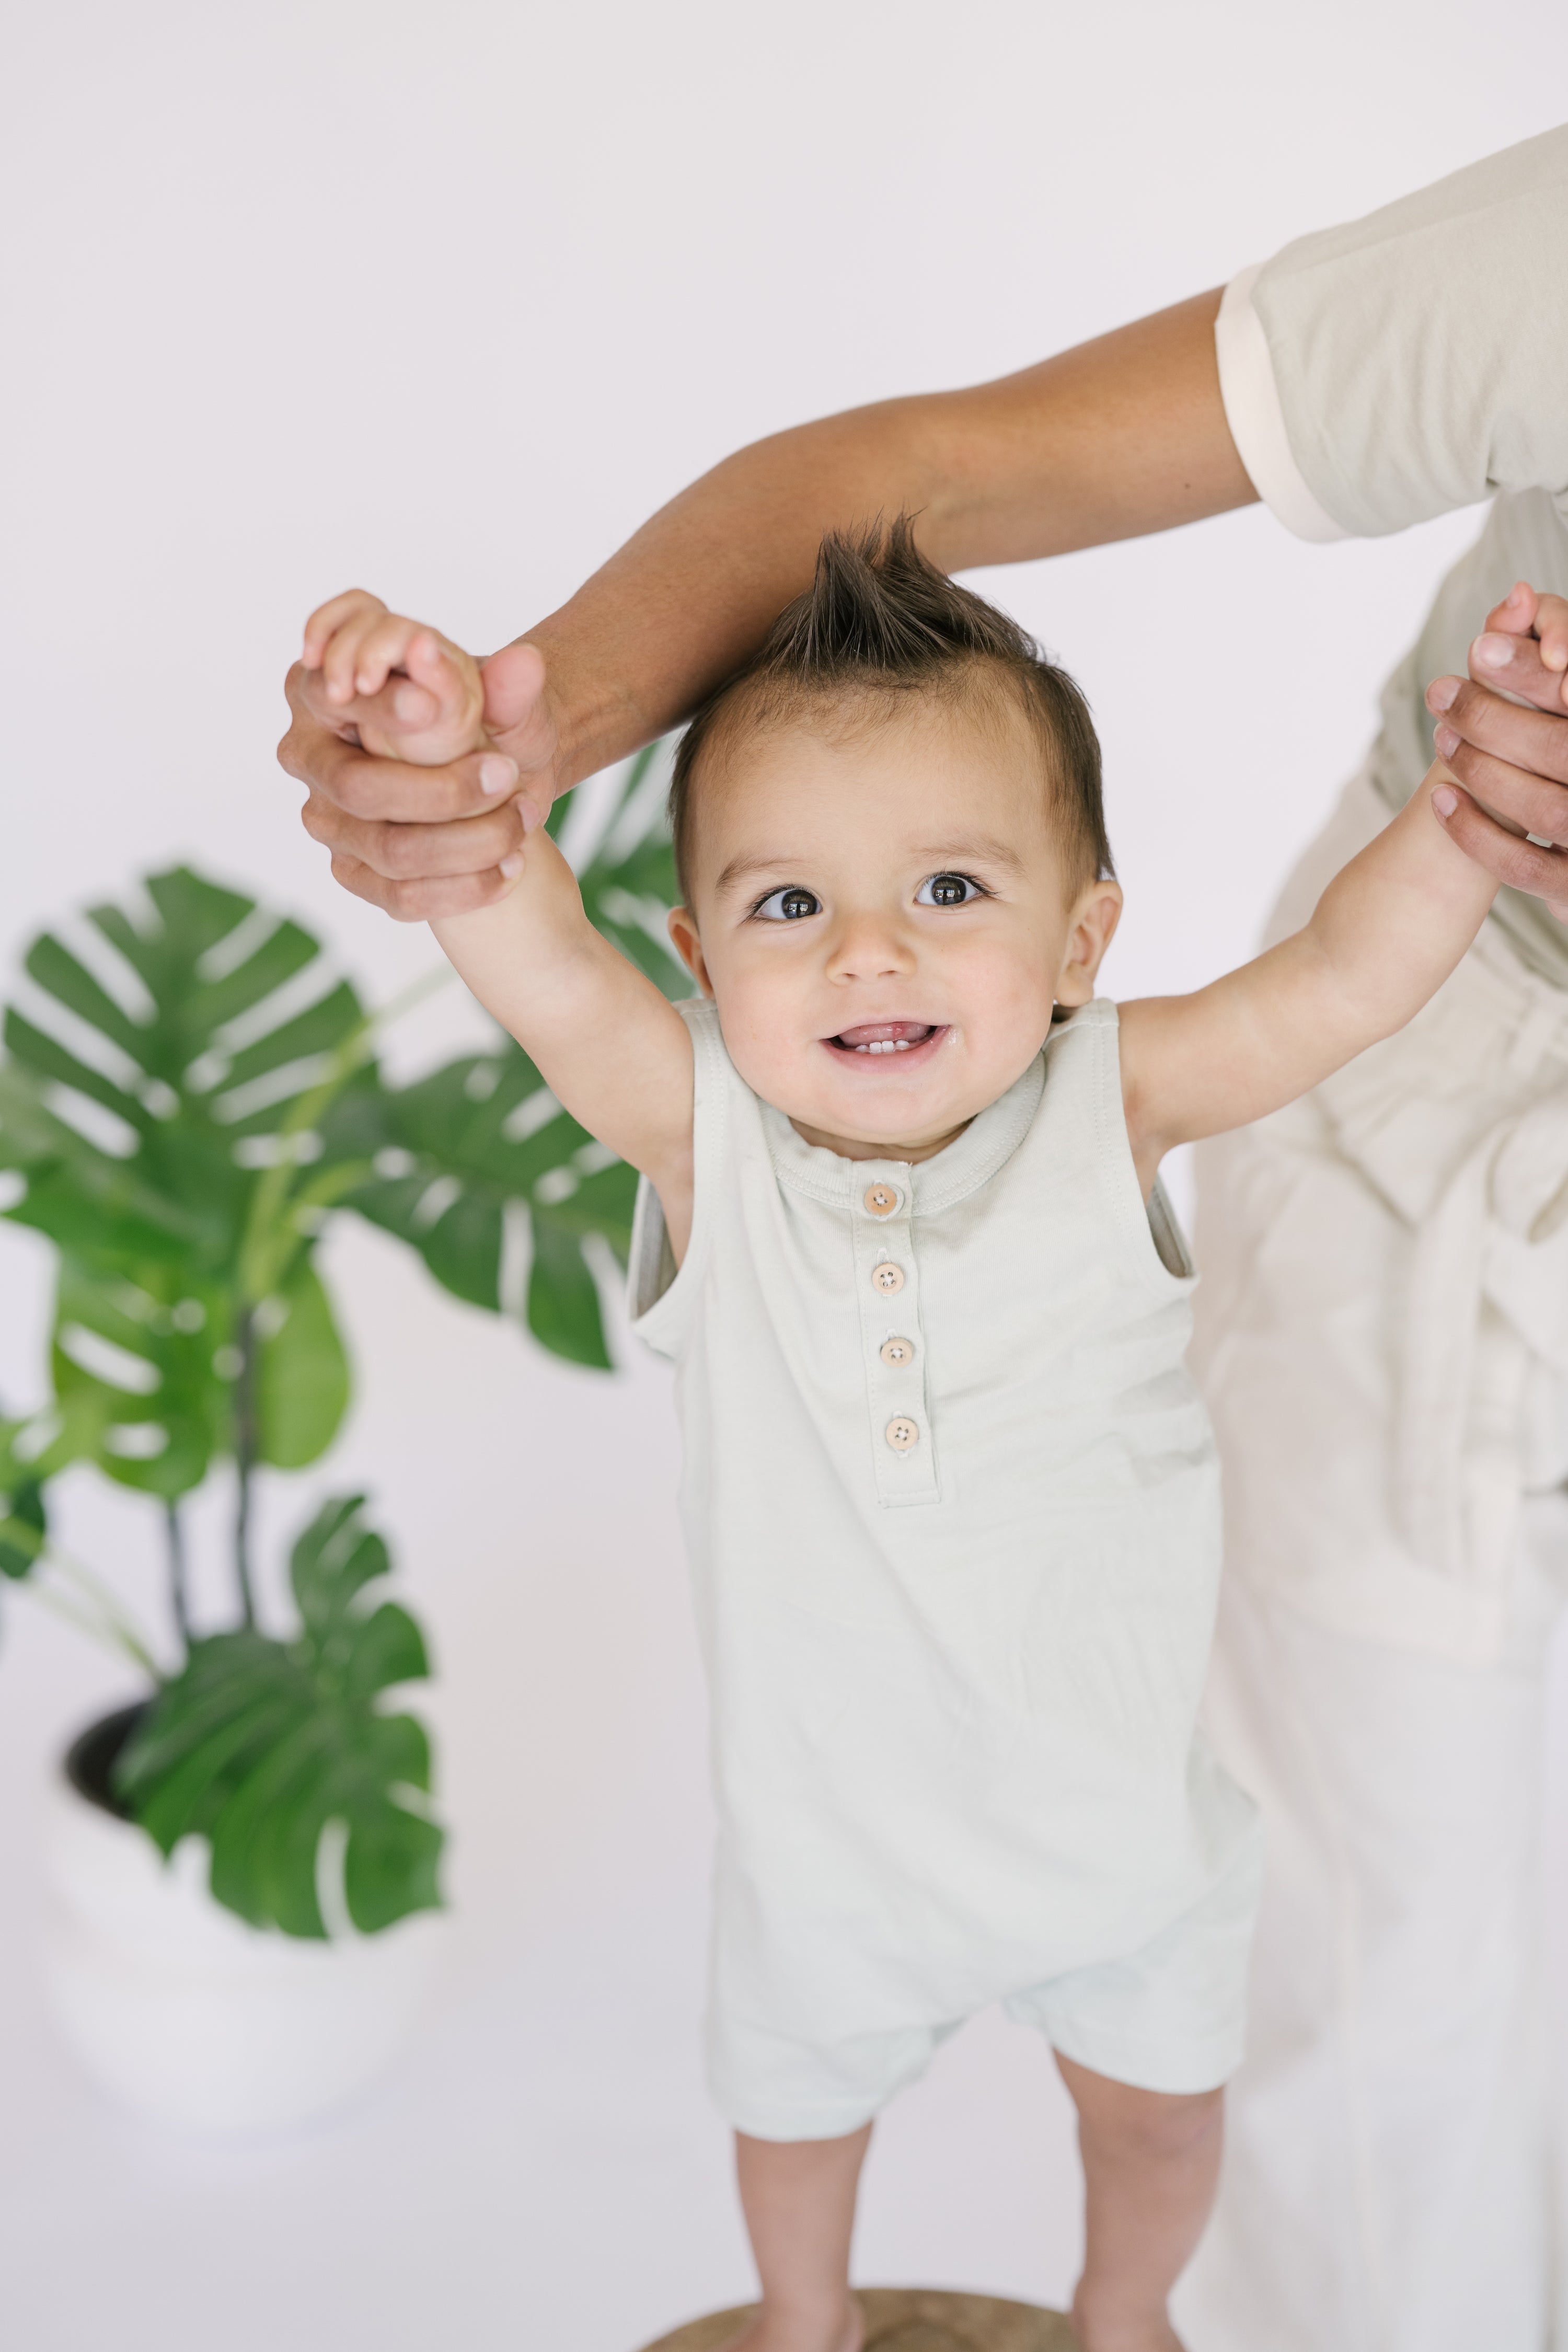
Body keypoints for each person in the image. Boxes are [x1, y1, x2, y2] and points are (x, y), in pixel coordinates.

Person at [280, 128, 1568, 2352]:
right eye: (792, 906)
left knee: (1166, 2124)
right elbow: (542, 955)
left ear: (1084, 940)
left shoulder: (1110, 1094)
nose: (871, 946)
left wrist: (1445, 840)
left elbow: (1337, 987)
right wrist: (466, 777)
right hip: (839, 1850)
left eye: (950, 893)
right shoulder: (715, 1139)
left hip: (1116, 1841)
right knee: (799, 2125)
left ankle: (1129, 2315)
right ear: (703, 950)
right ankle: (798, 2327)